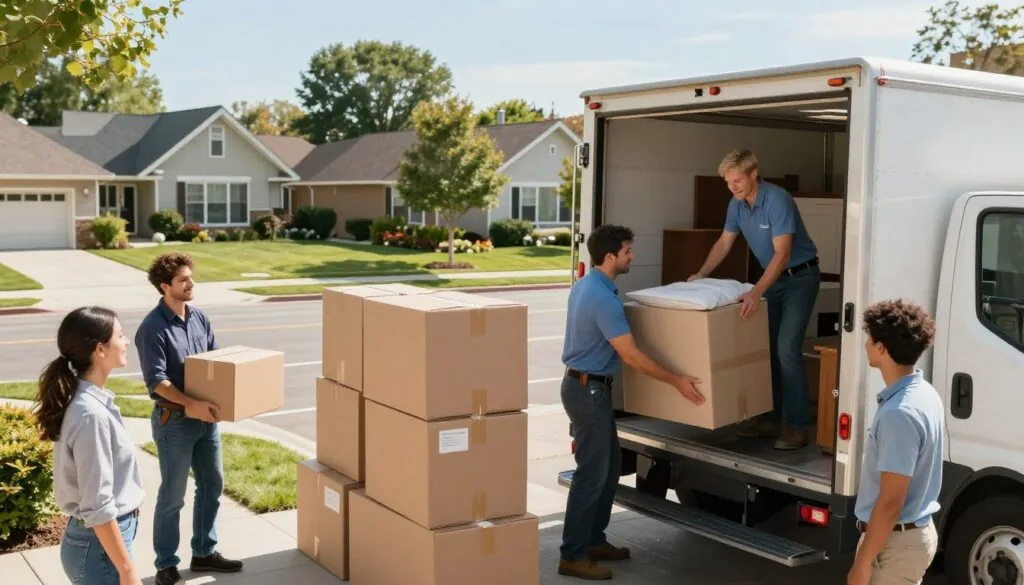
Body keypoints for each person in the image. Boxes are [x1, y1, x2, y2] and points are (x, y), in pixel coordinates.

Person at [558, 224, 706, 580]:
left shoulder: (589, 285)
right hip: (587, 392)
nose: (632, 256)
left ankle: (593, 540)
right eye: (627, 251)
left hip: (590, 388)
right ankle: (572, 555)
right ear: (610, 256)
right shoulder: (603, 299)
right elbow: (632, 356)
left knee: (607, 472)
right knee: (591, 476)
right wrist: (677, 381)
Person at [688, 148, 821, 450]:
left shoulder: (777, 200)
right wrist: (701, 272)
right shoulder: (736, 205)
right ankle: (770, 419)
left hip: (800, 277)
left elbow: (783, 253)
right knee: (767, 349)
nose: (732, 187)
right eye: (727, 182)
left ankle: (797, 427)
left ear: (753, 175)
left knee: (787, 349)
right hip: (772, 278)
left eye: (736, 180)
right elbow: (724, 243)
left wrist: (756, 291)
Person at [134, 252, 242, 585]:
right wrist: (190, 404)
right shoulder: (152, 329)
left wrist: (221, 399)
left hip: (206, 420)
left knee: (213, 485)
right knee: (174, 495)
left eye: (190, 277)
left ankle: (204, 552)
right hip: (175, 423)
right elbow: (156, 381)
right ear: (165, 286)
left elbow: (214, 363)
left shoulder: (199, 318)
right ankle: (166, 563)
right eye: (183, 280)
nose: (191, 283)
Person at [34, 306, 145, 585]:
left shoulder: (92, 403)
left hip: (100, 545)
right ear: (100, 349)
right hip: (99, 550)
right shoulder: (90, 415)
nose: (127, 341)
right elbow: (98, 504)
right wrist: (127, 570)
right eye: (120, 336)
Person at [848, 299, 943, 585]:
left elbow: (891, 501)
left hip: (895, 546)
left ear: (881, 348)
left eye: (869, 338)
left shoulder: (898, 413)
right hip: (906, 538)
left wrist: (863, 564)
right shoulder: (924, 392)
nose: (865, 343)